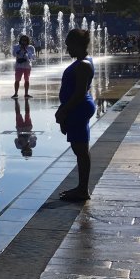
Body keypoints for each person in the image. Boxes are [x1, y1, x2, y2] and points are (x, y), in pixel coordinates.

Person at [55, 28, 95, 201]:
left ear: (77, 44)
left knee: (80, 150)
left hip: (78, 107)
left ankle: (83, 190)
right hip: (77, 107)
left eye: (69, 46)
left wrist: (63, 110)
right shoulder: (83, 61)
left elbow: (79, 93)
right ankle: (81, 187)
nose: (67, 50)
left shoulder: (83, 65)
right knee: (79, 149)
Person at [12, 35, 36, 99]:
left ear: (27, 41)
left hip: (27, 66)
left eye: (25, 40)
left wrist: (27, 51)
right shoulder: (16, 47)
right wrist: (20, 50)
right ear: (20, 40)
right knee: (17, 80)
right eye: (23, 40)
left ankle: (26, 93)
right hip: (19, 66)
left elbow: (33, 58)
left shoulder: (31, 47)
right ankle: (16, 93)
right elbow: (14, 54)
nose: (24, 42)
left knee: (27, 80)